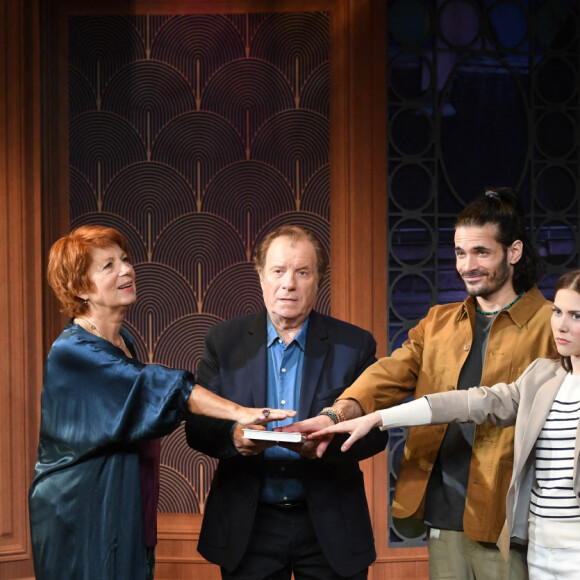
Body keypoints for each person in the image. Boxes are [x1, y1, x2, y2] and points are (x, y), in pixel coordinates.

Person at [283, 188, 556, 579]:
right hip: (442, 514)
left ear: (513, 252)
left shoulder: (551, 324)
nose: (467, 265)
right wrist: (334, 414)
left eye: (481, 252)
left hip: (510, 523)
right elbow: (387, 376)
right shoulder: (439, 322)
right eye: (461, 253)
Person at [29, 225, 294, 580]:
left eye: (124, 259)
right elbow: (159, 387)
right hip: (81, 511)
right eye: (107, 266)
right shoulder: (72, 351)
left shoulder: (121, 341)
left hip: (124, 504)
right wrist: (241, 412)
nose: (125, 269)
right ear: (80, 288)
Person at [310, 268, 580, 579]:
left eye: (576, 315)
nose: (560, 324)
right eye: (558, 311)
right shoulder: (540, 376)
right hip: (540, 548)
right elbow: (464, 403)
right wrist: (377, 418)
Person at [184, 225, 389, 580]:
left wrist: (329, 442)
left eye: (302, 272)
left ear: (318, 279)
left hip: (329, 524)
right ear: (261, 275)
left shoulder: (354, 345)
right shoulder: (224, 341)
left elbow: (377, 433)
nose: (288, 284)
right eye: (278, 271)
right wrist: (234, 436)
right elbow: (198, 428)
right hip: (249, 527)